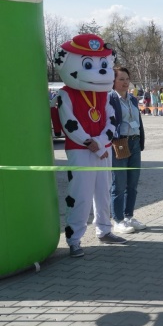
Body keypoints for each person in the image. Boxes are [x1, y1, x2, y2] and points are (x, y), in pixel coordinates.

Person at [55, 34, 128, 257]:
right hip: (80, 150)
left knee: (103, 192)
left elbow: (111, 120)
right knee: (81, 195)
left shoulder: (104, 95)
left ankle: (104, 230)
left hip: (102, 150)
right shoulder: (65, 93)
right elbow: (69, 123)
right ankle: (74, 239)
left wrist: (102, 143)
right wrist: (90, 142)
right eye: (89, 64)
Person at [109, 67, 147, 234]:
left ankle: (128, 216)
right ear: (113, 81)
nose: (125, 82)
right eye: (121, 79)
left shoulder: (132, 99)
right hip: (120, 142)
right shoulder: (110, 98)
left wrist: (141, 140)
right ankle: (118, 220)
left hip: (134, 142)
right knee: (119, 183)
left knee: (132, 183)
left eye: (127, 79)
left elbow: (138, 121)